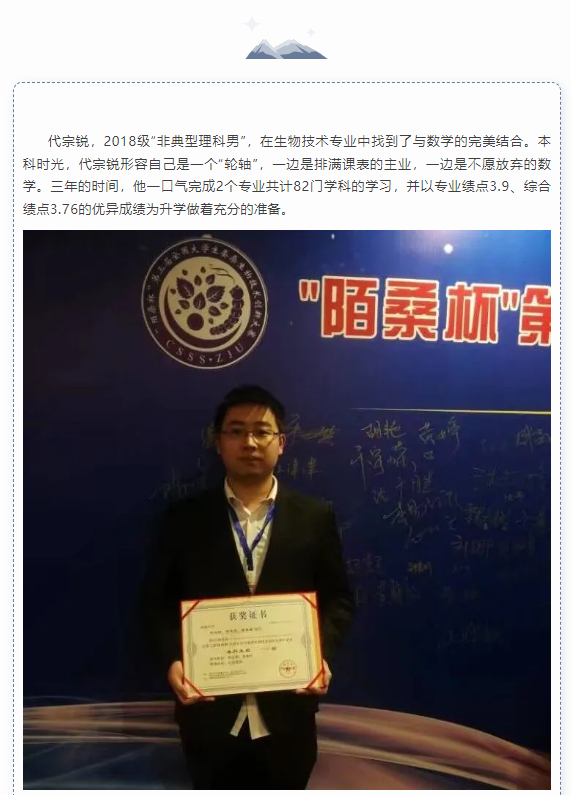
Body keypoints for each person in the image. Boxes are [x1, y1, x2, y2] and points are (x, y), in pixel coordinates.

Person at [141, 384, 354, 790]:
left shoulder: (315, 517)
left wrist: (318, 653)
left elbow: (339, 598)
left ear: (281, 443)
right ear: (218, 442)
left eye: (262, 431)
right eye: (236, 431)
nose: (250, 443)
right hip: (208, 716)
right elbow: (156, 603)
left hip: (289, 713)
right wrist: (173, 661)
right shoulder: (183, 519)